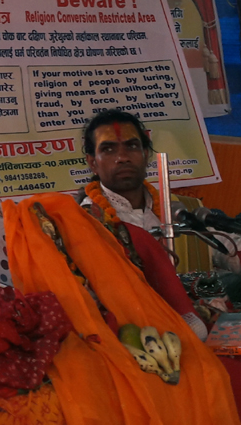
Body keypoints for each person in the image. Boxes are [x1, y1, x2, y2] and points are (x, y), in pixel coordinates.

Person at [76, 109, 207, 340]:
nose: (122, 157)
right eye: (108, 149)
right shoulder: (82, 222)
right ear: (92, 163)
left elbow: (230, 247)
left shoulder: (181, 209)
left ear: (146, 154)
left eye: (132, 146)